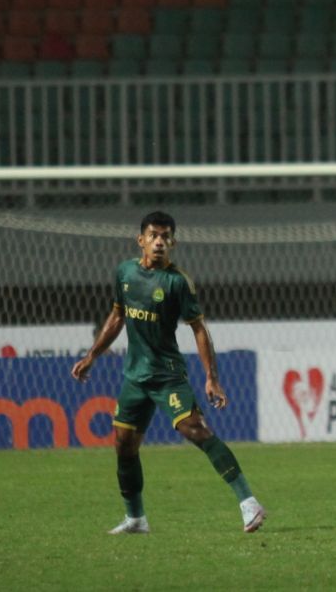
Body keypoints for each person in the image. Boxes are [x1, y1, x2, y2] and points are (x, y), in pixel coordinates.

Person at [71, 212, 265, 534]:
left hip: (167, 375)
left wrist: (211, 377)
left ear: (172, 242)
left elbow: (199, 330)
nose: (159, 241)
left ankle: (249, 502)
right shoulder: (125, 273)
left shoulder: (178, 282)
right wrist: (92, 355)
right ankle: (136, 519)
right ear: (141, 240)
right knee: (124, 444)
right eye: (153, 235)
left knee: (196, 430)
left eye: (165, 236)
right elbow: (117, 317)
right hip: (135, 376)